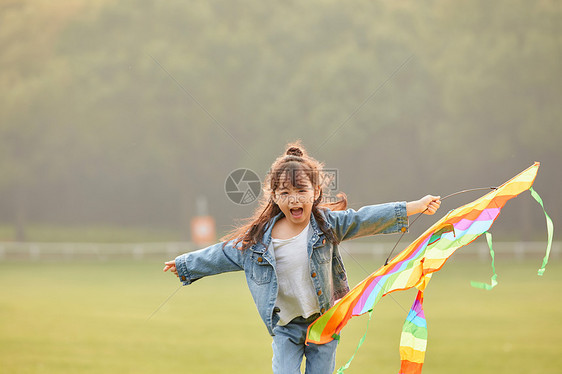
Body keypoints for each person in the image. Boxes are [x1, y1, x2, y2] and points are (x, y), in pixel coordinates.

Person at [164, 141, 440, 374]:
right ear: (274, 196)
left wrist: (415, 206)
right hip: (285, 327)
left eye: (301, 191)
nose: (294, 200)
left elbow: (364, 218)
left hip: (324, 323)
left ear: (316, 192)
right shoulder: (258, 241)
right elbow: (222, 253)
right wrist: (186, 264)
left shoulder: (327, 226)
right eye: (285, 193)